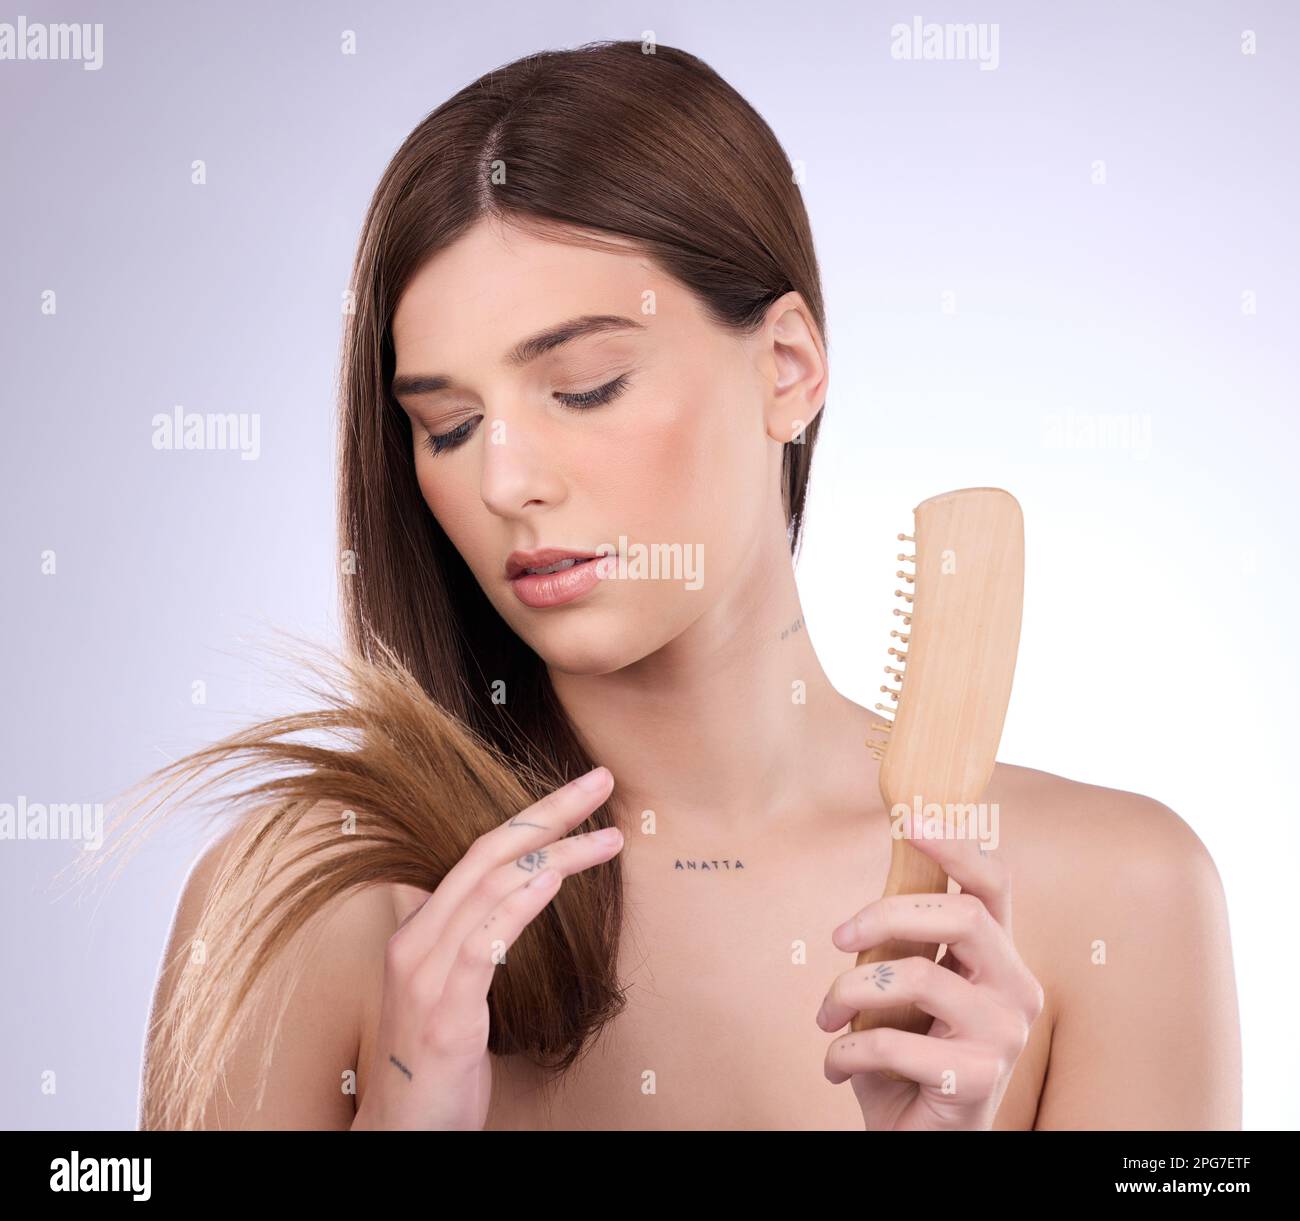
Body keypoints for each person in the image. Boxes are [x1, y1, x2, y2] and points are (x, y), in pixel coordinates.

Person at [127, 39, 1239, 1130]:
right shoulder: (313, 896)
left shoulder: (1121, 896)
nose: (507, 479)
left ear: (787, 368)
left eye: (586, 386)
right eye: (449, 426)